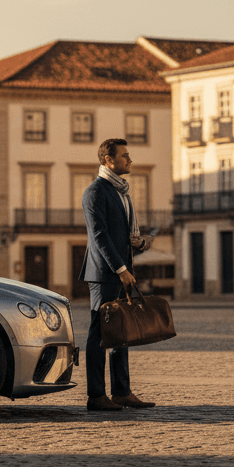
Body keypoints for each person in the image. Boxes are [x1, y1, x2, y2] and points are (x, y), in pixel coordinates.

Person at [78, 138, 156, 411]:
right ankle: (96, 396)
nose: (130, 160)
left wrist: (140, 243)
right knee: (99, 334)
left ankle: (122, 392)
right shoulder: (95, 192)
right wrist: (121, 269)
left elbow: (122, 235)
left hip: (122, 270)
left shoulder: (122, 192)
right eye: (124, 156)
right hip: (104, 273)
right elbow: (99, 236)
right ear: (108, 160)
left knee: (121, 333)